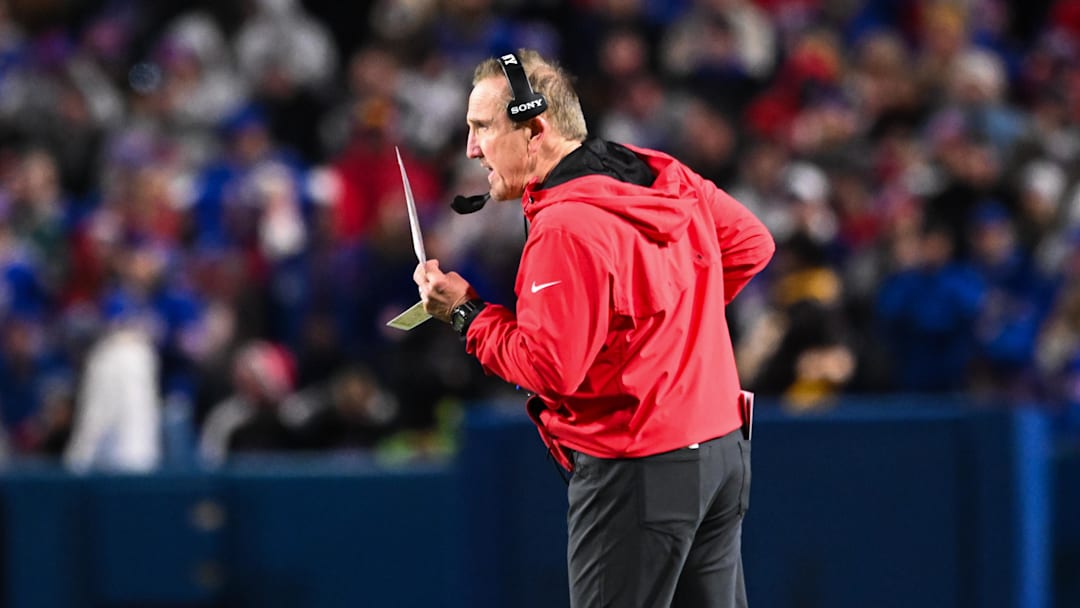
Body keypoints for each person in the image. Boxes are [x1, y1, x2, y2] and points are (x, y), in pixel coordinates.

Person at [414, 49, 775, 607]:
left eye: (482, 127)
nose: (470, 148)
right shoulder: (657, 170)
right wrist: (666, 326)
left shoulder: (565, 225)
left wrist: (465, 314)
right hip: (722, 450)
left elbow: (550, 368)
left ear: (535, 128)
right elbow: (751, 245)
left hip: (640, 464)